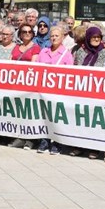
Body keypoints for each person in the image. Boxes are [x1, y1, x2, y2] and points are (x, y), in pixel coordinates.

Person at [33, 25, 74, 153]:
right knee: (44, 116)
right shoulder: (43, 51)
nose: (54, 38)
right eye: (52, 36)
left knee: (57, 117)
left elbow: (69, 74)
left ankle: (57, 143)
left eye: (57, 36)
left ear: (62, 38)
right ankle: (44, 141)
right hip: (44, 90)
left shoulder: (67, 54)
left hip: (58, 91)